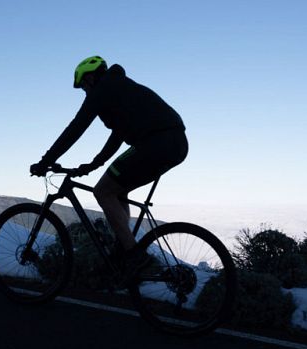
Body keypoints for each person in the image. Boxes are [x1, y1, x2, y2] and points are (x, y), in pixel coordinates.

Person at [30, 55, 188, 271]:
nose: (85, 91)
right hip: (174, 143)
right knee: (117, 190)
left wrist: (45, 161)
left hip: (156, 143)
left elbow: (76, 128)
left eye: (84, 85)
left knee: (102, 191)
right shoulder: (120, 89)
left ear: (92, 76)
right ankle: (125, 247)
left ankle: (134, 256)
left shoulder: (104, 89)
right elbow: (118, 136)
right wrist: (92, 165)